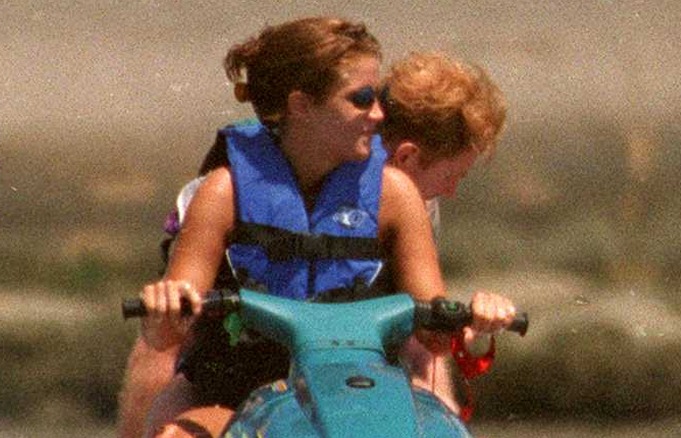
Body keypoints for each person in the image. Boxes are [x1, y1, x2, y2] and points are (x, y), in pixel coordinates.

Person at [117, 17, 515, 438]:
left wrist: (473, 319)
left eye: (378, 97)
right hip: (234, 392)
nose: (379, 115)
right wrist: (163, 310)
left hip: (360, 389)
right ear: (301, 105)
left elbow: (432, 339)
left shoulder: (396, 195)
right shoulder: (221, 193)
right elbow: (165, 336)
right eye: (362, 99)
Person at [378, 51, 508, 415]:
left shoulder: (423, 203)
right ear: (407, 158)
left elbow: (424, 336)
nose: (451, 191)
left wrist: (469, 323)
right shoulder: (319, 191)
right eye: (452, 176)